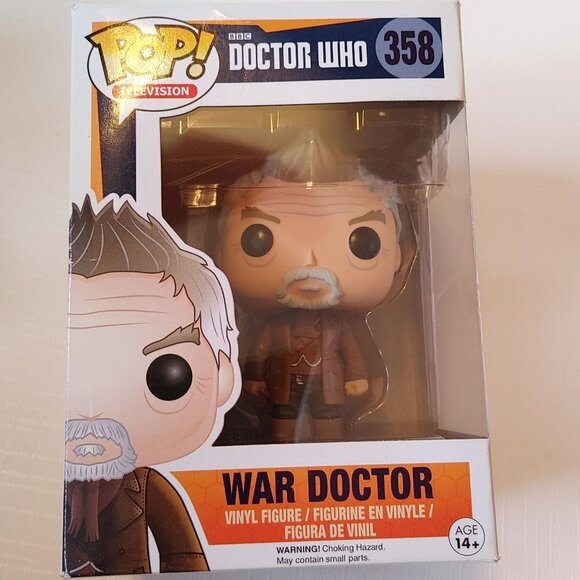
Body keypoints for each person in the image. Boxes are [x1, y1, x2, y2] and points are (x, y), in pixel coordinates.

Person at [64, 196, 237, 575]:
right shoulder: (34, 484)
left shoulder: (147, 489)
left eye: (167, 376)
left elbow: (185, 559)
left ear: (222, 376)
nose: (93, 411)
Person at [215, 134, 402, 443]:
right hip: (283, 386)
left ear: (398, 256)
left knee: (328, 421)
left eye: (363, 243)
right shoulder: (275, 326)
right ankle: (283, 451)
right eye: (257, 240)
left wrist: (355, 376)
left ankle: (329, 450)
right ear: (219, 255)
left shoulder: (337, 326)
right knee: (282, 424)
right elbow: (259, 352)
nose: (309, 263)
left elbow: (351, 353)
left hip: (328, 385)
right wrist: (253, 378)